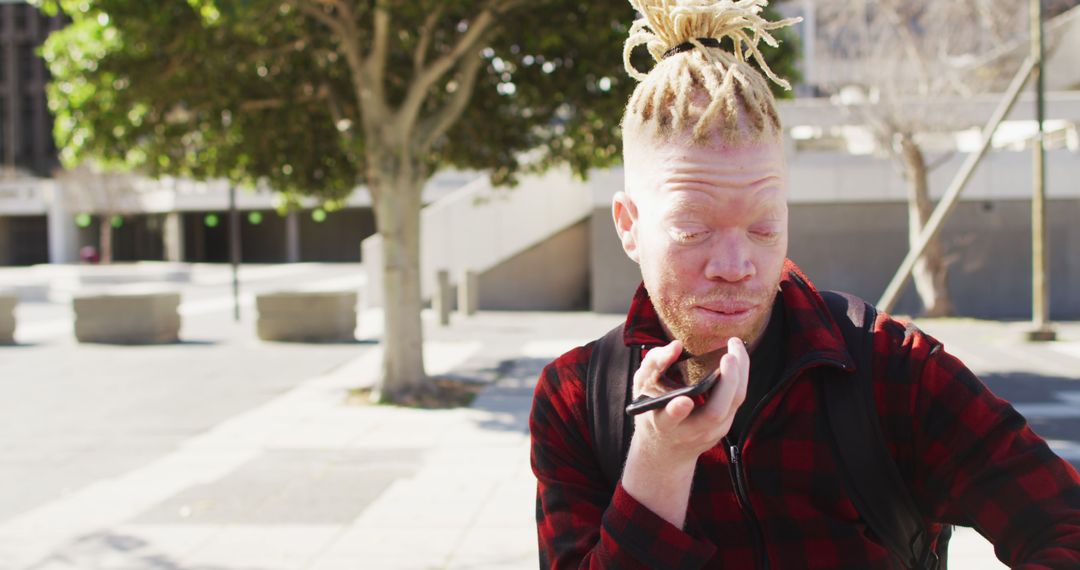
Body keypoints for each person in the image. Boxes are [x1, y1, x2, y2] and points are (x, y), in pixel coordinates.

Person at [528, 0, 1080, 568]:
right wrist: (659, 462)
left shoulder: (892, 368)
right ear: (629, 226)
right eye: (693, 229)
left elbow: (1065, 521)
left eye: (765, 226)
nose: (737, 264)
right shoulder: (576, 400)